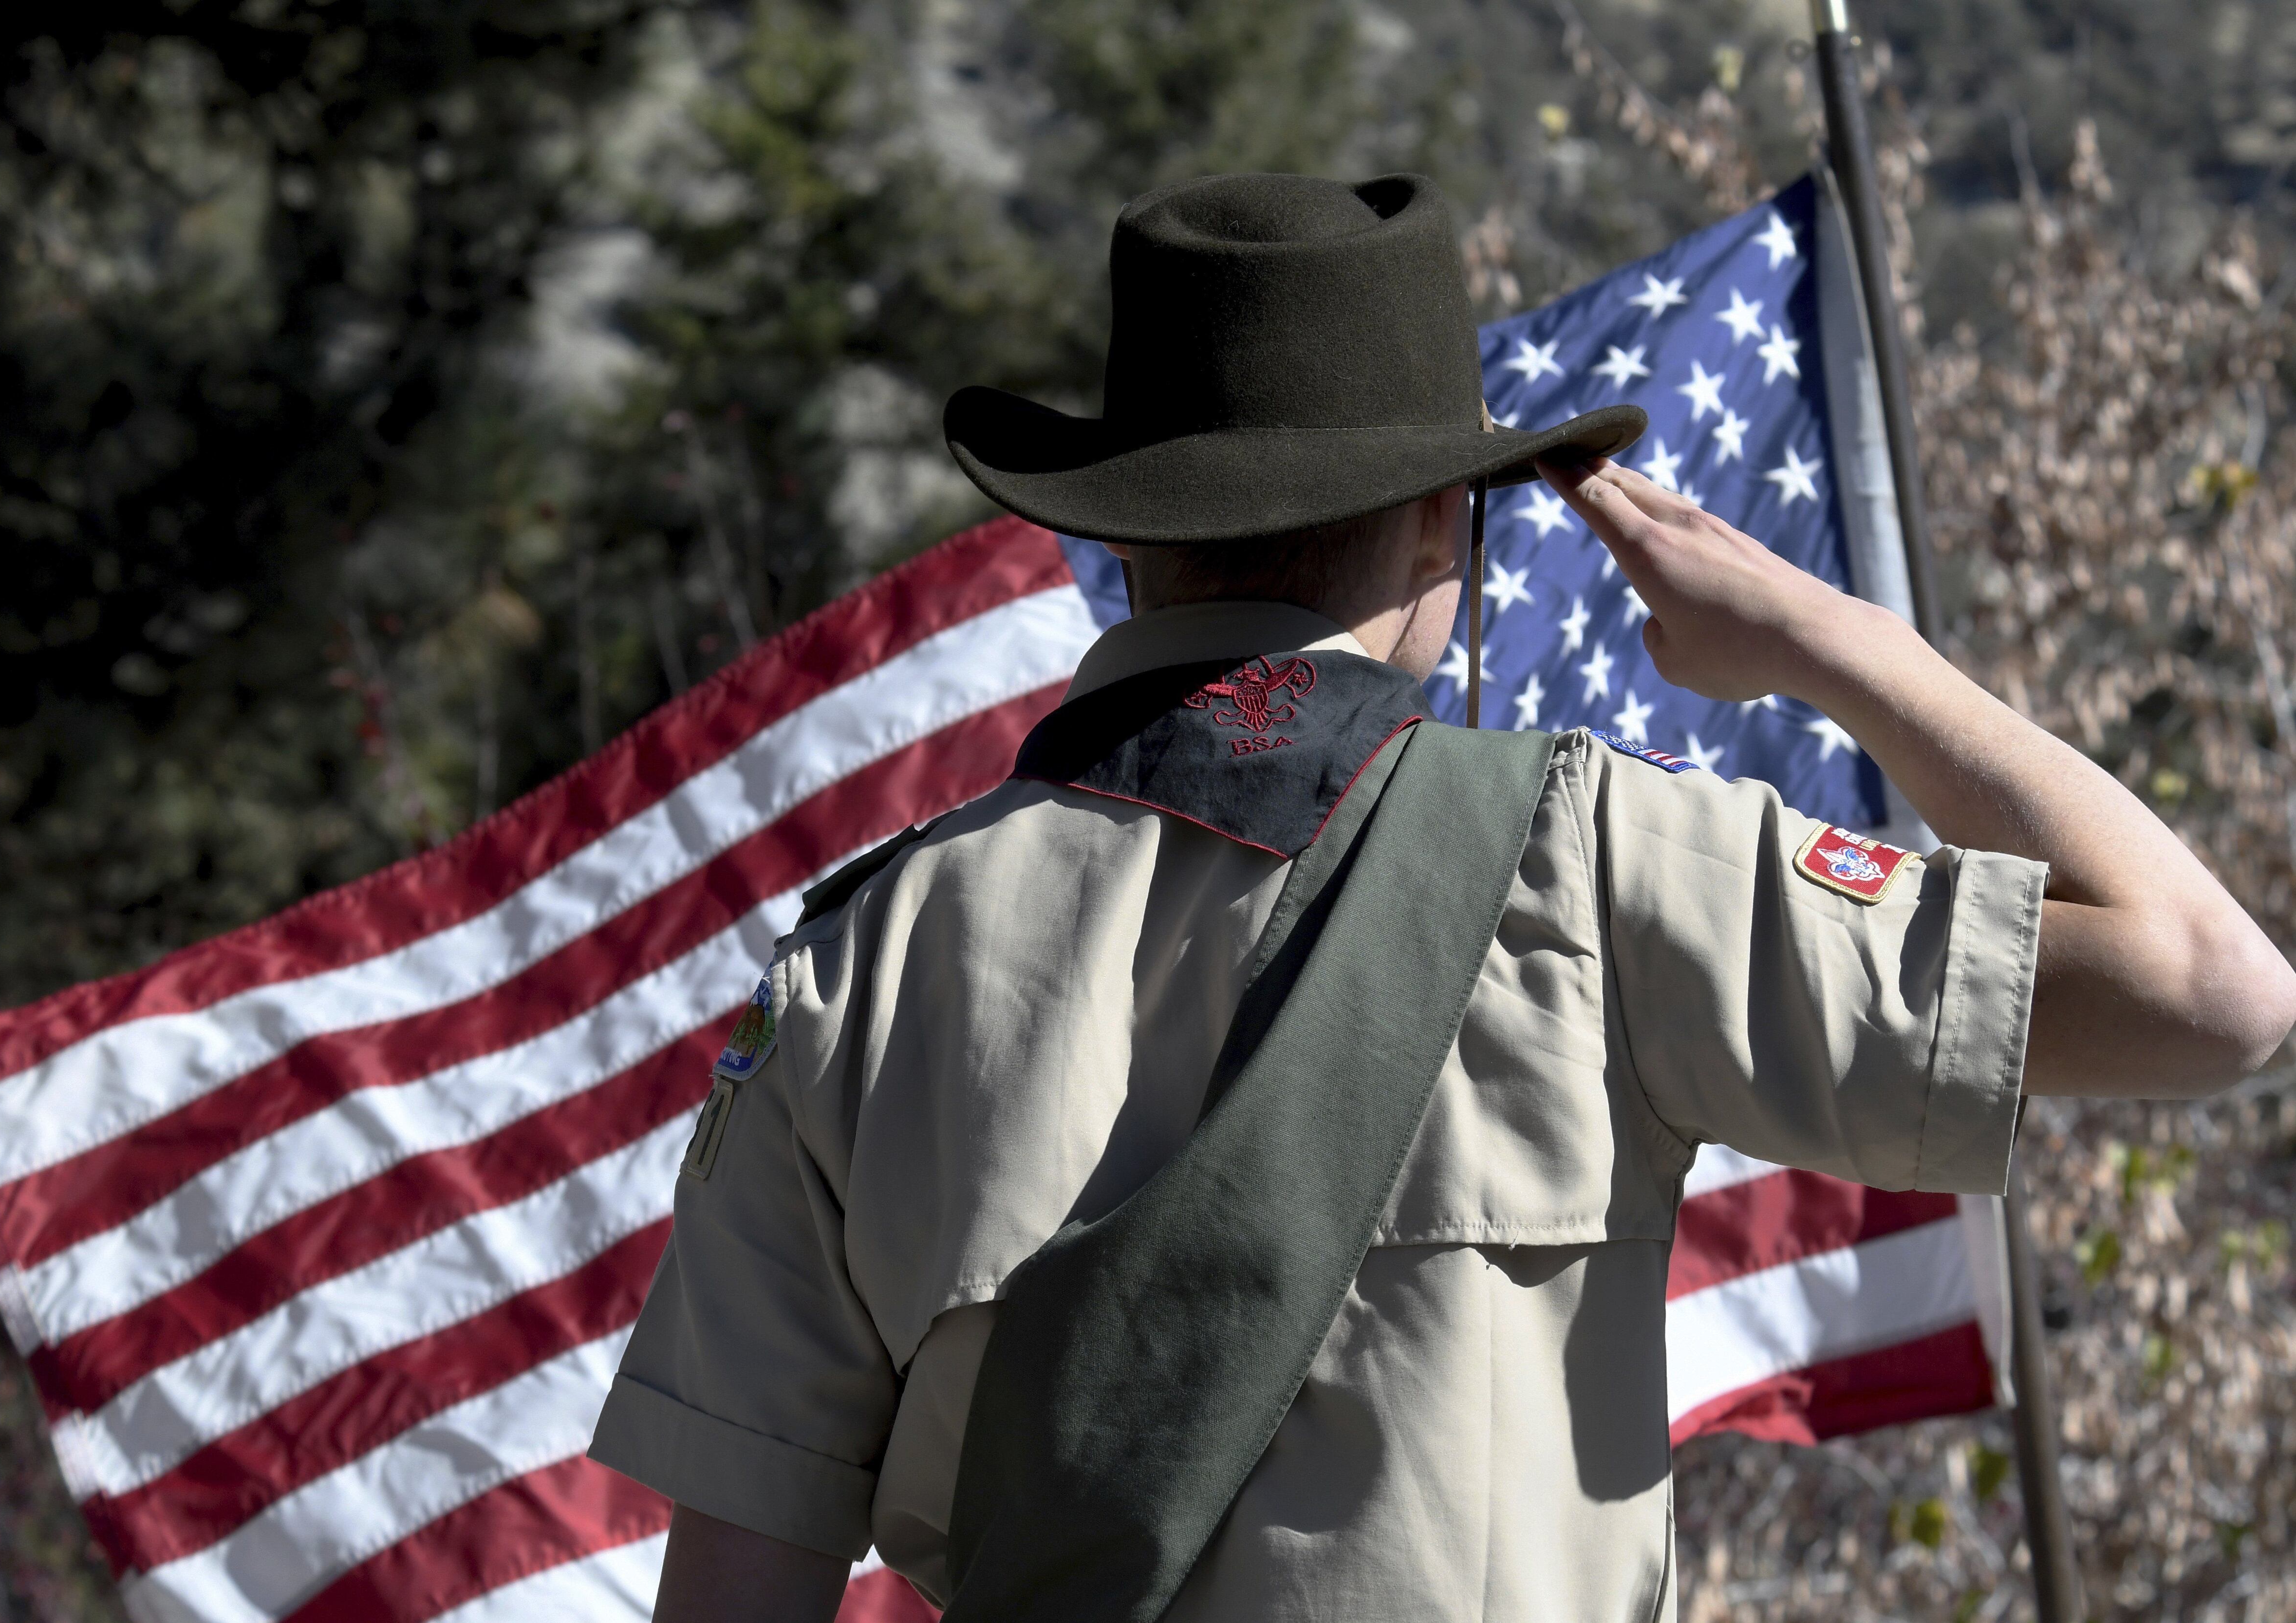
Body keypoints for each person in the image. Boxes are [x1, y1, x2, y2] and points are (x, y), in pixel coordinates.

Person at [587, 172, 2296, 1622]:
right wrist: (1830, 646)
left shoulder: (858, 971)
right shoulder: (1595, 859)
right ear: (1443, 541)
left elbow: (737, 1594)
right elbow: (2212, 987)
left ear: (1130, 531)